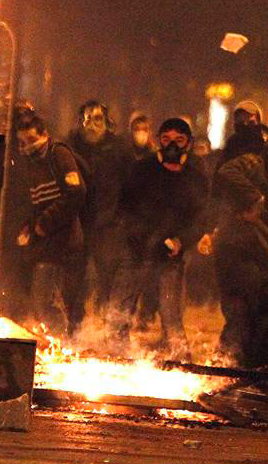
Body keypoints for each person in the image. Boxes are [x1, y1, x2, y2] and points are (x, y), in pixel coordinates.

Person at [106, 118, 208, 358]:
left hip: (170, 254)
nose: (172, 146)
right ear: (158, 141)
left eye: (179, 140)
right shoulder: (142, 170)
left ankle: (181, 362)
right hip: (137, 250)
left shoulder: (195, 176)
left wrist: (181, 241)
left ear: (189, 144)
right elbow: (124, 208)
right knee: (120, 311)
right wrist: (139, 235)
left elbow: (201, 217)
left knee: (171, 314)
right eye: (167, 140)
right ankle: (116, 356)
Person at [213, 123, 268, 391]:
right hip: (236, 252)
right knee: (242, 313)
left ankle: (263, 370)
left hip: (265, 257)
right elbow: (226, 172)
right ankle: (226, 370)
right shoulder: (252, 163)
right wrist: (254, 197)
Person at [15, 113, 87, 335]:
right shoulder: (31, 162)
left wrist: (45, 223)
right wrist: (29, 225)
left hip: (63, 240)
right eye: (22, 142)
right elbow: (37, 200)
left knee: (44, 299)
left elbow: (76, 193)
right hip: (46, 241)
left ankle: (61, 341)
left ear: (44, 135)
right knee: (46, 298)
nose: (27, 147)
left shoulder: (58, 154)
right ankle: (61, 339)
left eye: (31, 140)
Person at [68, 101, 133, 309]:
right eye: (88, 119)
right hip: (78, 221)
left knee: (108, 276)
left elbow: (131, 184)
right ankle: (74, 323)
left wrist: (121, 215)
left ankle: (108, 322)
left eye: (98, 119)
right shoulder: (71, 147)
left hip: (109, 222)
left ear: (106, 122)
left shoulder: (119, 149)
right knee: (75, 276)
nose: (92, 124)